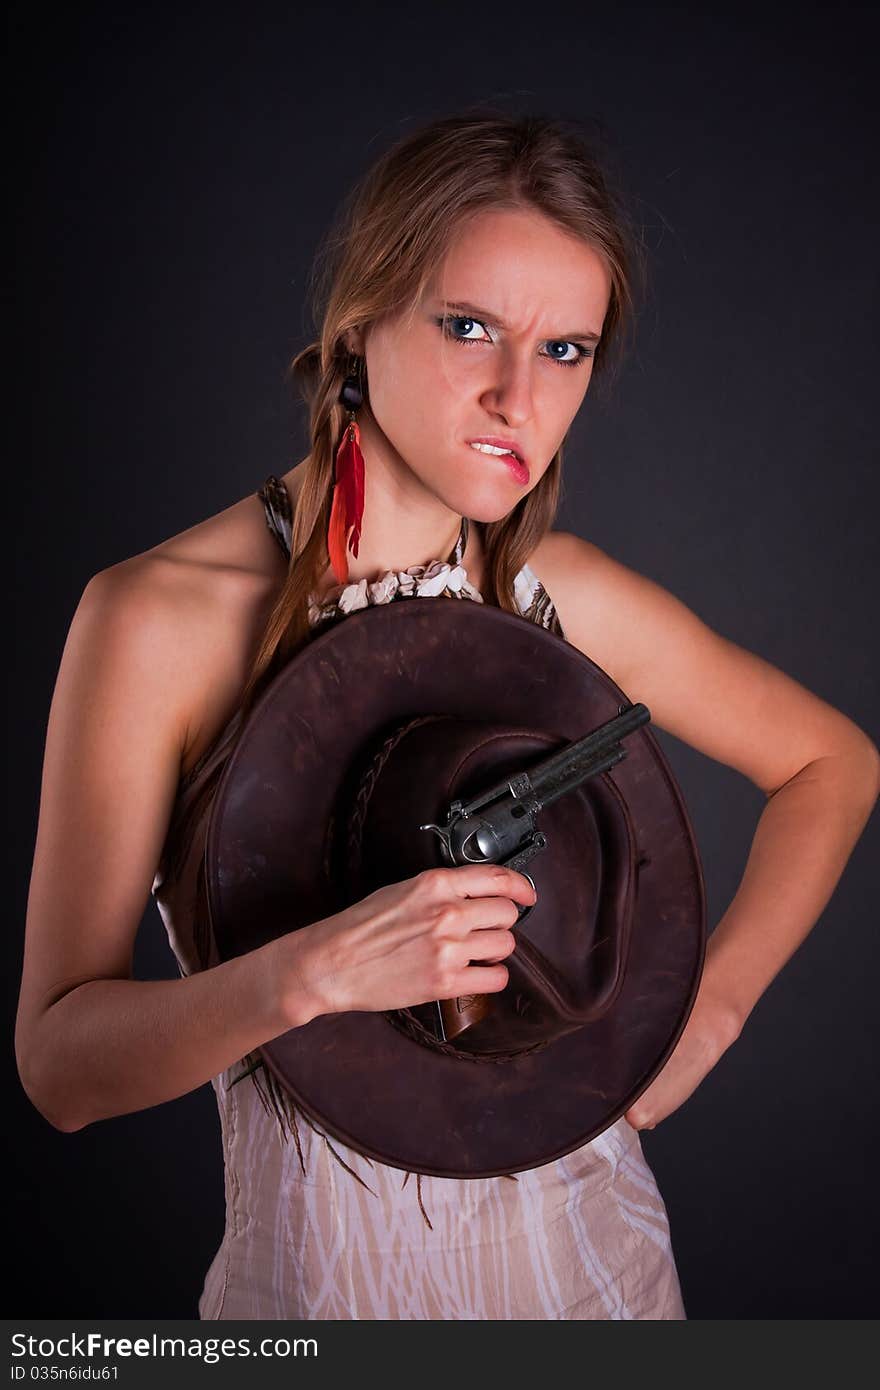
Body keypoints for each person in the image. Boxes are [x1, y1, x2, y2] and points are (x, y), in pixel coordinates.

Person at [16, 110, 879, 1321]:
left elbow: (830, 763)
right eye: (468, 326)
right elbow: (59, 1069)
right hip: (319, 1299)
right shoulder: (158, 621)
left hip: (600, 1276)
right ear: (361, 322)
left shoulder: (556, 596)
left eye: (566, 350)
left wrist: (704, 1021)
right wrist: (302, 976)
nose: (516, 396)